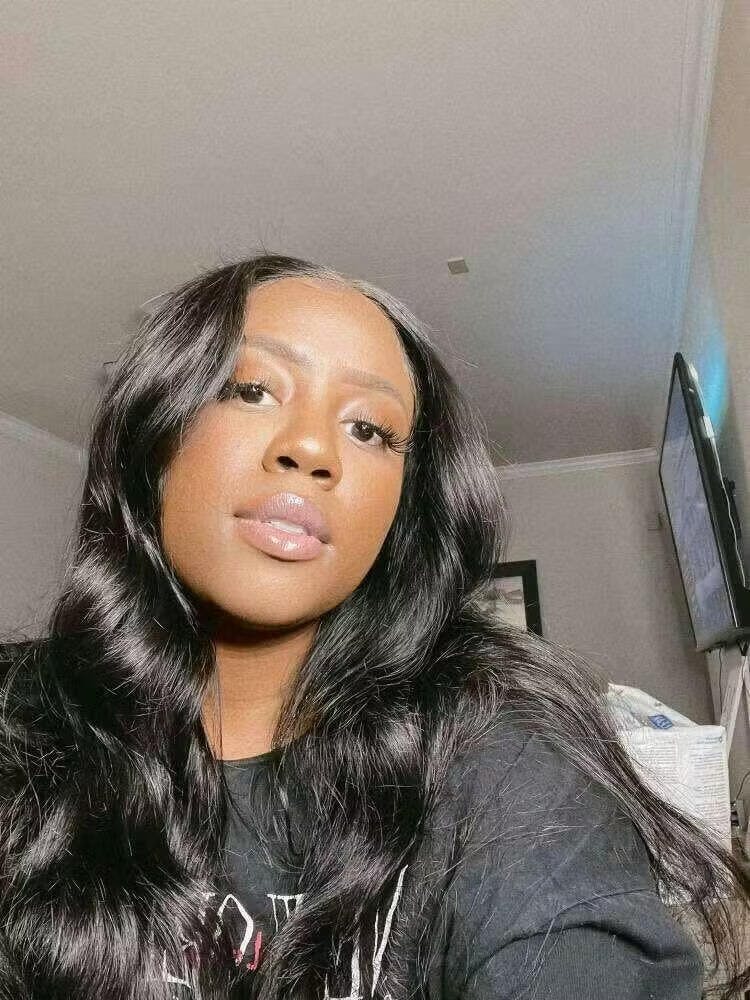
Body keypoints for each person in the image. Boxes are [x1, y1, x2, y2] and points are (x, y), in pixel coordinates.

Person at [0, 253, 747, 1000]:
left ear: (398, 509)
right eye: (252, 390)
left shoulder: (497, 747)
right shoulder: (18, 727)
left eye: (369, 429)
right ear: (155, 439)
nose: (313, 449)